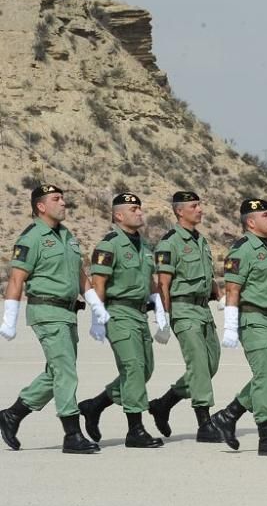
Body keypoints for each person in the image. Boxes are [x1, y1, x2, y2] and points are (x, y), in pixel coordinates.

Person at [0, 184, 106, 454]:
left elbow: (81, 275)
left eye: (63, 198)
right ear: (41, 206)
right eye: (56, 199)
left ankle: (13, 414)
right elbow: (16, 279)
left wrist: (96, 306)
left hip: (68, 313)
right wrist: (9, 319)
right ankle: (72, 434)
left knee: (57, 371)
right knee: (66, 371)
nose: (63, 203)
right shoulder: (32, 238)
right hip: (46, 312)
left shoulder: (67, 236)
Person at [210, 199, 267, 456]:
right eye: (266, 215)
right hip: (253, 321)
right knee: (264, 377)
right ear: (251, 222)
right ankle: (266, 436)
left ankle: (228, 416)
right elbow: (232, 289)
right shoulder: (242, 250)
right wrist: (230, 326)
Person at [78, 193, 164, 448]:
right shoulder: (109, 245)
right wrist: (98, 317)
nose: (139, 212)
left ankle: (95, 405)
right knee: (133, 368)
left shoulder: (145, 246)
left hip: (140, 314)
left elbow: (151, 283)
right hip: (118, 313)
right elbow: (99, 284)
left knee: (145, 369)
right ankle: (135, 430)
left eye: (140, 208)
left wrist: (161, 312)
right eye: (133, 209)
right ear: (118, 215)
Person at [147, 191, 223, 443]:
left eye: (200, 204)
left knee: (211, 364)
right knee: (199, 364)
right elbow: (164, 285)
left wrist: (219, 296)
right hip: (183, 309)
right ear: (180, 211)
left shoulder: (200, 240)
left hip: (203, 309)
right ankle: (204, 422)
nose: (200, 209)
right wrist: (164, 318)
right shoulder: (170, 243)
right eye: (194, 206)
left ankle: (163, 404)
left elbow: (206, 276)